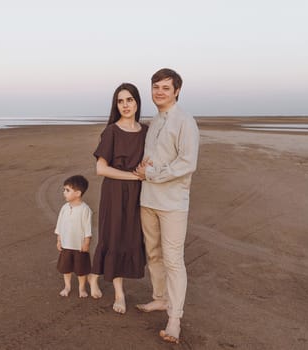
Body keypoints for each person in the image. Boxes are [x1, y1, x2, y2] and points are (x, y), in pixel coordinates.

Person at [134, 68, 199, 344]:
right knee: (154, 253)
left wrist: (152, 174)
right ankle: (159, 299)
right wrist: (143, 169)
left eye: (165, 87)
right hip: (147, 199)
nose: (159, 92)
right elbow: (150, 159)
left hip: (173, 203)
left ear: (177, 91)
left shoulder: (186, 121)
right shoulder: (154, 121)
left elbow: (187, 163)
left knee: (173, 259)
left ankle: (174, 318)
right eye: (155, 87)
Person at [89, 83, 147, 314]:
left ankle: (94, 275)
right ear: (116, 105)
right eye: (120, 101)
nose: (125, 105)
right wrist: (133, 176)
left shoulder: (146, 130)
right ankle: (119, 294)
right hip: (114, 192)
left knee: (130, 238)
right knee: (113, 238)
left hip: (138, 194)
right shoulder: (112, 131)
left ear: (137, 102)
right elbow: (100, 169)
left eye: (129, 100)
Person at [55, 175, 93, 298]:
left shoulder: (85, 209)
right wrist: (59, 240)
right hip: (66, 245)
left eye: (67, 190)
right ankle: (67, 286)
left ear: (77, 193)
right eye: (64, 190)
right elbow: (59, 225)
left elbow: (88, 228)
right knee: (66, 268)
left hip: (79, 246)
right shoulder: (64, 208)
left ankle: (82, 288)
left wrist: (86, 243)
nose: (64, 192)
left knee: (81, 269)